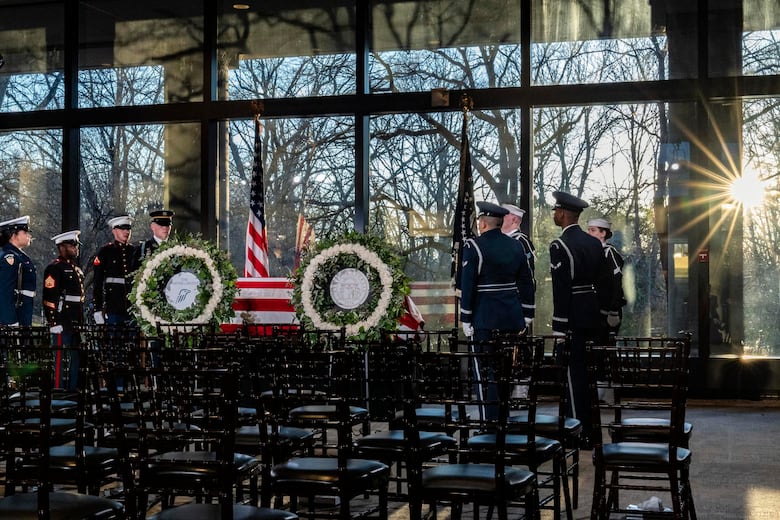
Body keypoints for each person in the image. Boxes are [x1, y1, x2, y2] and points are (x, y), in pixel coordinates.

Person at [460, 201, 535, 420]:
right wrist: (527, 313)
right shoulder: (516, 245)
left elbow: (468, 284)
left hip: (485, 317)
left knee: (485, 373)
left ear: (482, 223)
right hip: (512, 317)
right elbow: (526, 282)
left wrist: (466, 317)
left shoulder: (473, 246)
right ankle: (502, 419)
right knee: (505, 371)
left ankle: (488, 422)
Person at [549, 191, 605, 448]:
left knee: (572, 378)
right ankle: (592, 431)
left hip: (572, 316)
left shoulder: (560, 246)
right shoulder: (594, 243)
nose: (554, 215)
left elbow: (561, 289)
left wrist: (559, 327)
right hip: (592, 314)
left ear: (562, 213)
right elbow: (602, 284)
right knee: (589, 377)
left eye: (556, 211)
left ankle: (576, 432)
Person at [43, 230, 84, 390]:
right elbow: (49, 297)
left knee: (75, 358)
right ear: (62, 247)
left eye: (76, 245)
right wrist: (53, 321)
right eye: (72, 245)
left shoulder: (76, 269)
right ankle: (59, 391)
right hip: (62, 319)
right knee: (60, 358)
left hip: (75, 320)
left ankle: (73, 391)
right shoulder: (55, 268)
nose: (76, 248)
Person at [92, 216, 138, 326]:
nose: (126, 232)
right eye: (123, 229)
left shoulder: (134, 252)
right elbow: (97, 282)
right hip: (113, 306)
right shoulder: (106, 252)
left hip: (132, 307)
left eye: (128, 229)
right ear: (114, 230)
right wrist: (98, 308)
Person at [587, 217, 627, 343]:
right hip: (596, 310)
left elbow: (617, 280)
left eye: (593, 230)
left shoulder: (609, 252)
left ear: (603, 233)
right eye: (588, 230)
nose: (589, 234)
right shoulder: (593, 252)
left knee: (606, 346)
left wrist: (614, 310)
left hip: (608, 311)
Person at [0, 216, 37, 326]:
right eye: (25, 232)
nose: (29, 235)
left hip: (23, 312)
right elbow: (5, 291)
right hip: (15, 315)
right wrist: (10, 322)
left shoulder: (18, 255)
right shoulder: (10, 257)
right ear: (13, 235)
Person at [501, 202, 536, 278]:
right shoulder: (498, 239)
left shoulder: (521, 241)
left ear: (514, 219)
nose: (500, 218)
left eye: (503, 215)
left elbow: (528, 272)